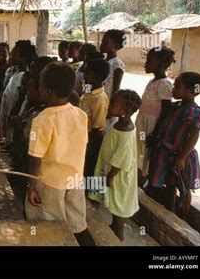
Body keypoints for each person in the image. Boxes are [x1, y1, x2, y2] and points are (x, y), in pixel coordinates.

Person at [26, 62, 93, 245]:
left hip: (50, 183)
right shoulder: (80, 114)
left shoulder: (42, 120)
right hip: (75, 179)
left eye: (40, 84)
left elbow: (35, 158)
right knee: (76, 224)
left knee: (51, 227)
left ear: (47, 91)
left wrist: (31, 186)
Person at [147, 72, 200, 219]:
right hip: (167, 154)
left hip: (182, 156)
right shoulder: (175, 106)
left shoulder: (193, 112)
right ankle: (170, 212)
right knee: (170, 183)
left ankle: (183, 217)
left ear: (191, 92)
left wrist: (182, 157)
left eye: (178, 86)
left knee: (184, 187)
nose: (173, 88)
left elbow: (194, 136)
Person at [89, 89, 142, 242]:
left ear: (125, 111)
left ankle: (119, 235)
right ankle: (113, 227)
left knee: (119, 204)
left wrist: (111, 176)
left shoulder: (126, 130)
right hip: (110, 170)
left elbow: (123, 157)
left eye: (113, 104)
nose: (109, 105)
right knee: (113, 200)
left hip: (117, 175)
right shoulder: (119, 123)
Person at [136, 47, 175, 178]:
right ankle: (140, 175)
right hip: (143, 122)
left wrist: (155, 133)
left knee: (149, 152)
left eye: (149, 61)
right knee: (140, 150)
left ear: (162, 64)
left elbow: (166, 112)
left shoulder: (164, 84)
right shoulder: (152, 81)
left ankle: (147, 179)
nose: (146, 64)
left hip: (153, 125)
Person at [0, 40, 36, 146]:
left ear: (24, 58)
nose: (11, 56)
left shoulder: (24, 77)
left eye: (14, 54)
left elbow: (19, 100)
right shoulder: (15, 73)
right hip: (9, 125)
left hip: (15, 127)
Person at [79, 58, 110, 180]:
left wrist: (89, 147)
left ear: (97, 76)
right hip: (82, 137)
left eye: (87, 73)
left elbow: (98, 127)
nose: (84, 76)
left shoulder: (99, 99)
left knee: (87, 169)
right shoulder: (88, 92)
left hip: (90, 141)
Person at [100, 29, 126, 98]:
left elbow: (116, 89)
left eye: (106, 43)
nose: (102, 44)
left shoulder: (117, 64)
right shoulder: (103, 61)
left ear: (116, 46)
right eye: (102, 42)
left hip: (107, 100)